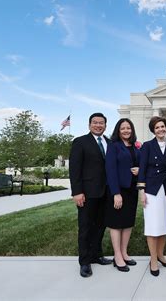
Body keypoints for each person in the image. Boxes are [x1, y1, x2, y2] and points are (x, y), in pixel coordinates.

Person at [69, 112, 112, 278]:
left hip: (105, 193)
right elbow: (74, 169)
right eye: (95, 123)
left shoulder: (109, 142)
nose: (98, 125)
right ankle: (85, 261)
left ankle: (96, 254)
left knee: (100, 226)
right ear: (89, 125)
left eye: (101, 123)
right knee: (86, 227)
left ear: (105, 126)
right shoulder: (80, 142)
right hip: (87, 193)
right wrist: (77, 192)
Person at [137, 116, 166, 277]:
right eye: (157, 127)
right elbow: (142, 169)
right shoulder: (147, 146)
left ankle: (161, 255)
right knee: (152, 227)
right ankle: (153, 259)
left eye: (162, 126)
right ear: (153, 130)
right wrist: (141, 191)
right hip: (151, 191)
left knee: (164, 226)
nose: (160, 129)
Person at [105, 118, 140, 272]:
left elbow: (139, 165)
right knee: (116, 223)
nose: (126, 130)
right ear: (118, 131)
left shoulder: (135, 147)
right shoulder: (114, 146)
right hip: (118, 190)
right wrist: (116, 193)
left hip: (132, 190)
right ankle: (117, 256)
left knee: (128, 223)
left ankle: (124, 252)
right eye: (123, 128)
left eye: (128, 128)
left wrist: (139, 170)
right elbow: (110, 170)